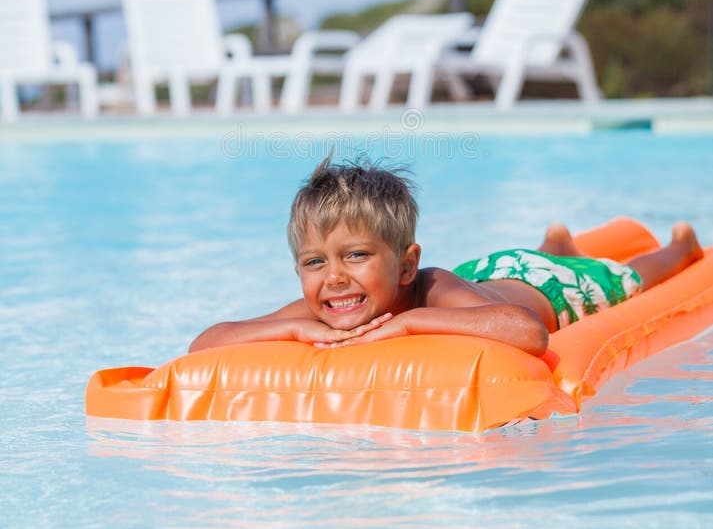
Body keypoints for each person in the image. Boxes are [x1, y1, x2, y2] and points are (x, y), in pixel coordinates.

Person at [190, 158, 704, 356]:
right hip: (487, 274)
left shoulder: (431, 285)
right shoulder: (325, 304)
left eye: (356, 255)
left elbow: (529, 330)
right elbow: (205, 343)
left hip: (546, 287)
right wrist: (295, 329)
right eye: (315, 262)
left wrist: (409, 323)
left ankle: (678, 247)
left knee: (625, 278)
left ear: (406, 265)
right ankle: (556, 241)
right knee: (537, 255)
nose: (335, 278)